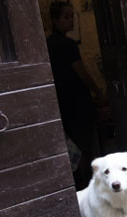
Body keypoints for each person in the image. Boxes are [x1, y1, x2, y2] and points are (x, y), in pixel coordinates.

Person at [47, 2, 103, 189]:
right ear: (55, 20)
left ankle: (79, 185)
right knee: (83, 147)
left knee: (72, 148)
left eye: (72, 16)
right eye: (65, 17)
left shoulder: (48, 44)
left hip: (61, 102)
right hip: (77, 104)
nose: (70, 20)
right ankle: (87, 185)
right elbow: (82, 74)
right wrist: (99, 92)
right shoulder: (67, 45)